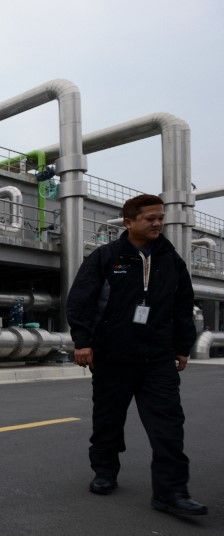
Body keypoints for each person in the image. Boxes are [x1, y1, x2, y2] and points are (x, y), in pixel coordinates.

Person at [66, 193, 206, 516]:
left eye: (161, 217)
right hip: (113, 355)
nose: (158, 223)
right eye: (150, 218)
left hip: (157, 357)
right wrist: (83, 342)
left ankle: (171, 493)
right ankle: (104, 471)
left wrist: (183, 346)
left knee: (169, 425)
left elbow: (183, 306)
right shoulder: (106, 258)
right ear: (129, 222)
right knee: (108, 419)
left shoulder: (172, 261)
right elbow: (80, 301)